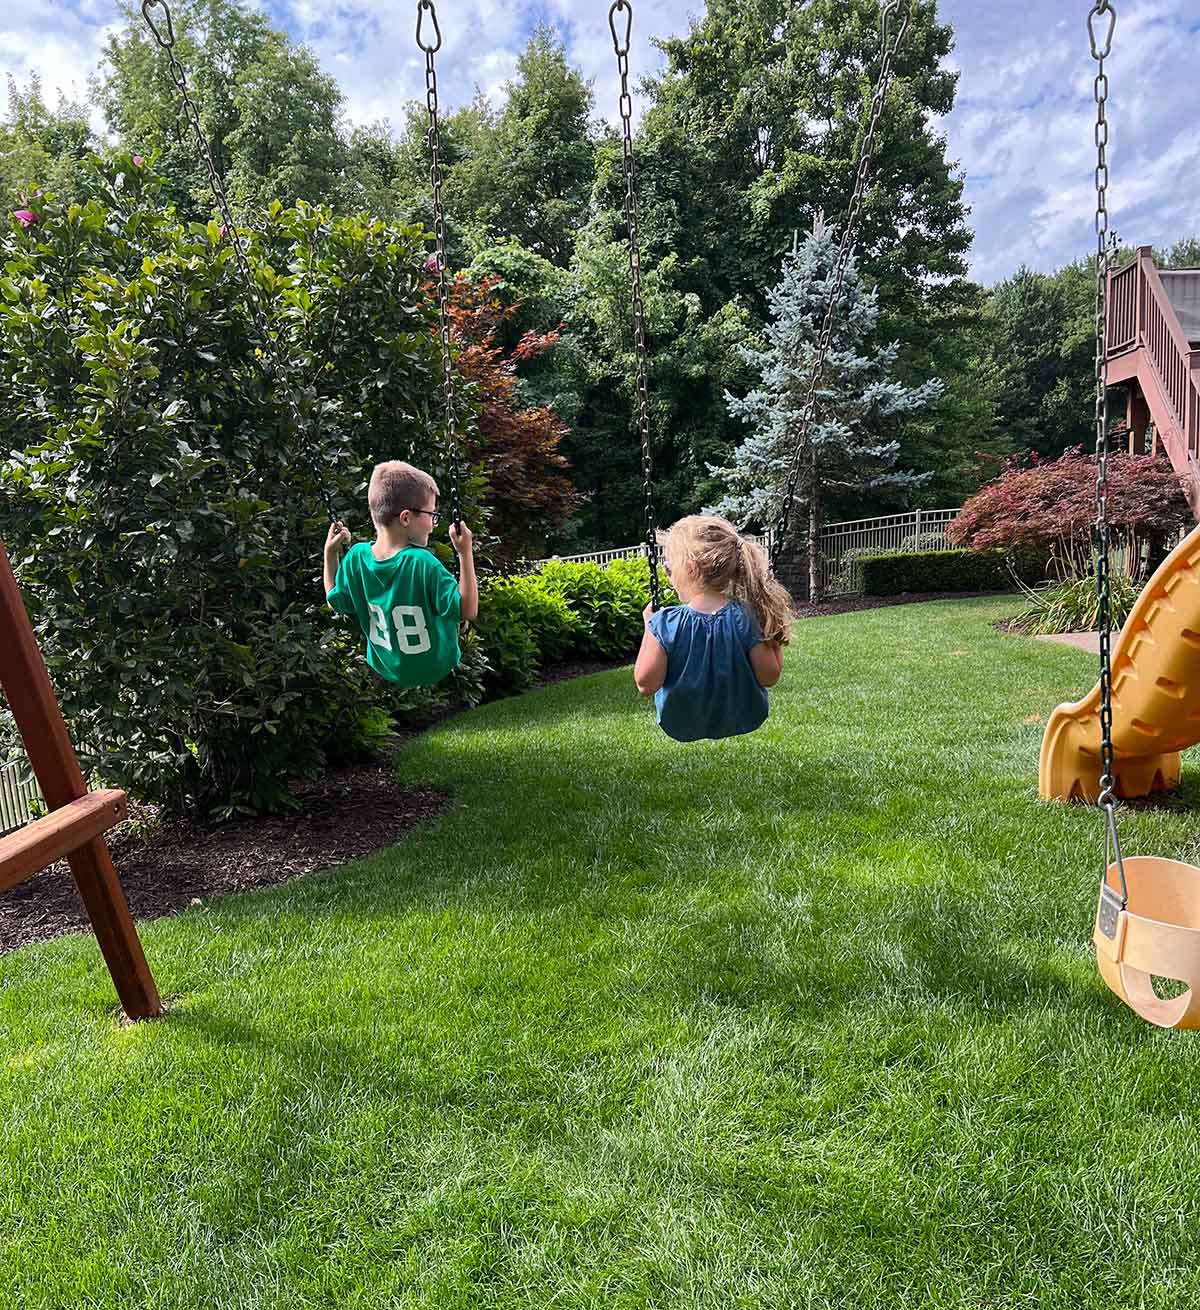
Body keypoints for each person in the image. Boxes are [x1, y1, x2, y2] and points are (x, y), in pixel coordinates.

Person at [633, 514, 792, 742]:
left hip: (682, 722)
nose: (668, 575)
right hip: (743, 715)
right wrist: (771, 634)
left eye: (669, 568)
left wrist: (650, 628)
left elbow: (646, 683)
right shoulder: (747, 617)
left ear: (689, 569)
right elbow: (769, 676)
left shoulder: (665, 623)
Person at [322, 461, 477, 687]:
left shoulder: (356, 558)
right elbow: (468, 610)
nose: (434, 524)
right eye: (431, 514)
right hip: (436, 663)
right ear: (406, 518)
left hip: (387, 666)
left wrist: (330, 553)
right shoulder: (423, 563)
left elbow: (334, 601)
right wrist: (465, 552)